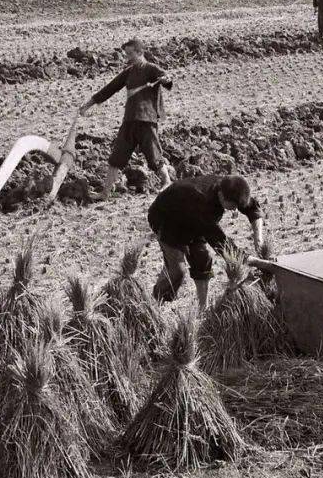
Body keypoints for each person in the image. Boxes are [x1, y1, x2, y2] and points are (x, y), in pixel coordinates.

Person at [147, 174, 265, 310]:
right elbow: (223, 245)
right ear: (221, 195)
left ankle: (202, 308)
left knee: (202, 259)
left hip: (193, 218)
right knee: (177, 272)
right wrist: (261, 263)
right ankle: (153, 306)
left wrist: (259, 239)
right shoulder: (202, 202)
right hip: (166, 219)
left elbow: (252, 207)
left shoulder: (230, 186)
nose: (234, 209)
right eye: (232, 206)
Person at [78, 37, 175, 200]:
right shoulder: (129, 72)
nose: (128, 57)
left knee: (154, 154)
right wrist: (88, 104)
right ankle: (105, 193)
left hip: (146, 119)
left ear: (140, 52)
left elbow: (165, 78)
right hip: (129, 120)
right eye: (126, 54)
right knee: (117, 156)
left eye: (130, 54)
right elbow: (110, 88)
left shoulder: (150, 68)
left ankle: (167, 182)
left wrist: (166, 79)